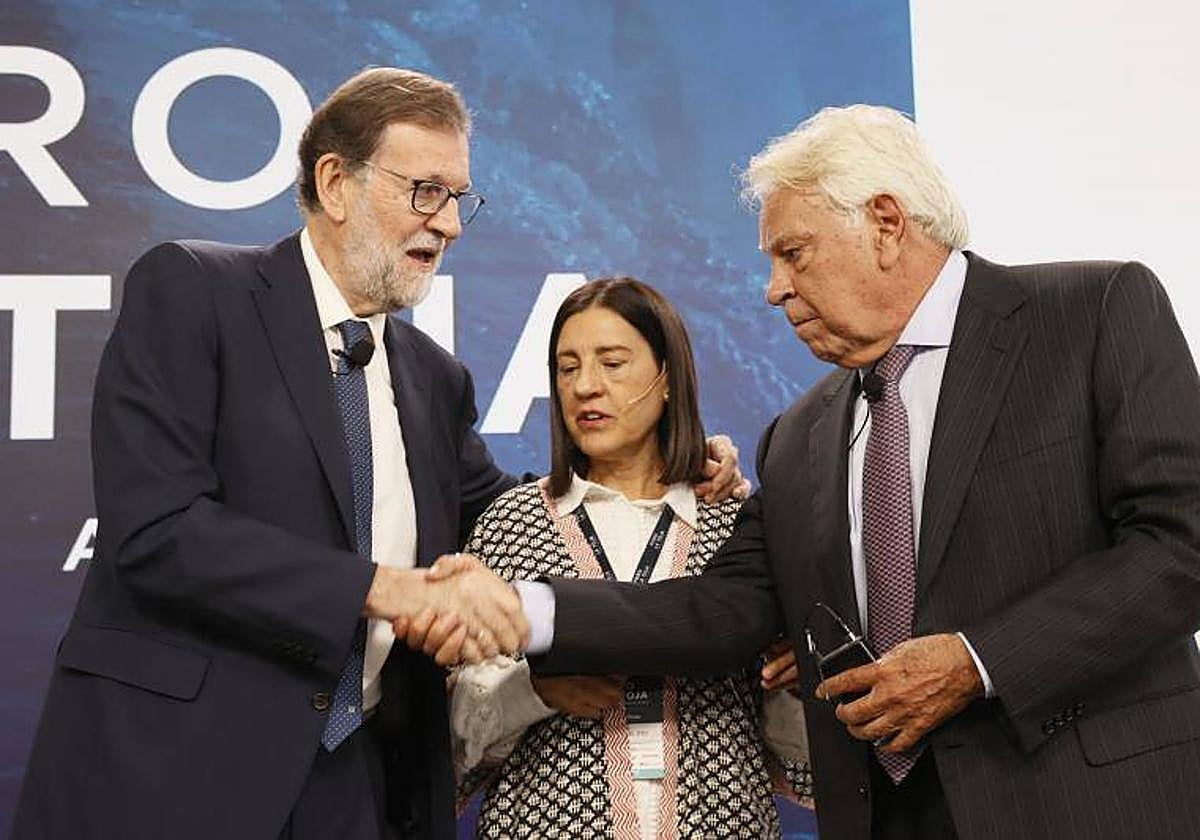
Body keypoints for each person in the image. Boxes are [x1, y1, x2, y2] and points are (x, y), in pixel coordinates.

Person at [419, 105, 1200, 839]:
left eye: (794, 253)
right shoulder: (797, 438)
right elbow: (720, 609)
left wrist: (976, 661)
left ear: (887, 225)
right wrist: (525, 609)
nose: (774, 290)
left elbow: (1183, 544)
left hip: (1088, 802)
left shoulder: (1091, 313)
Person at [10, 67, 745, 840]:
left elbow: (508, 515)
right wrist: (384, 589)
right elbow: (157, 530)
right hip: (178, 775)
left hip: (360, 788)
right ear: (336, 184)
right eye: (427, 190)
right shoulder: (195, 291)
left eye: (460, 197)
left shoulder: (433, 377)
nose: (451, 223)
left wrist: (657, 470)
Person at [444, 278, 813, 837]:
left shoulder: (735, 524)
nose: (585, 387)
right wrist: (534, 692)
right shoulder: (512, 521)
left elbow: (804, 757)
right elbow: (450, 742)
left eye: (612, 363)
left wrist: (792, 685)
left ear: (668, 378)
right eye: (567, 369)